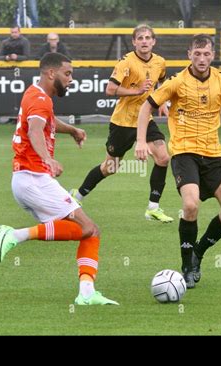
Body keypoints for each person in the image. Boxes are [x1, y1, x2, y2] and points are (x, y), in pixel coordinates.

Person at [0, 52, 118, 306]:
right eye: (68, 74)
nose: (71, 79)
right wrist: (47, 159)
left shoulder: (35, 94)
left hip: (26, 180)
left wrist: (71, 129)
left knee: (90, 232)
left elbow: (45, 122)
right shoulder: (41, 101)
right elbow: (35, 129)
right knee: (88, 228)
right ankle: (15, 235)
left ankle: (86, 292)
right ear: (52, 73)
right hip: (34, 179)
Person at [135, 34, 221, 288]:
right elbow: (147, 107)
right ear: (189, 54)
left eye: (206, 54)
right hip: (184, 153)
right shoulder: (177, 82)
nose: (201, 59)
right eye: (197, 54)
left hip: (213, 155)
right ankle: (187, 264)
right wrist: (141, 141)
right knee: (190, 206)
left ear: (212, 55)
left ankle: (198, 252)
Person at [70, 24, 173, 224]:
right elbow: (110, 89)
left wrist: (162, 103)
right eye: (140, 38)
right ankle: (77, 195)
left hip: (145, 119)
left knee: (163, 157)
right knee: (110, 167)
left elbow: (162, 82)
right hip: (122, 122)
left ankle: (153, 207)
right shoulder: (126, 62)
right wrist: (136, 91)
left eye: (147, 38)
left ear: (154, 41)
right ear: (134, 42)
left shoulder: (160, 62)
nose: (144, 41)